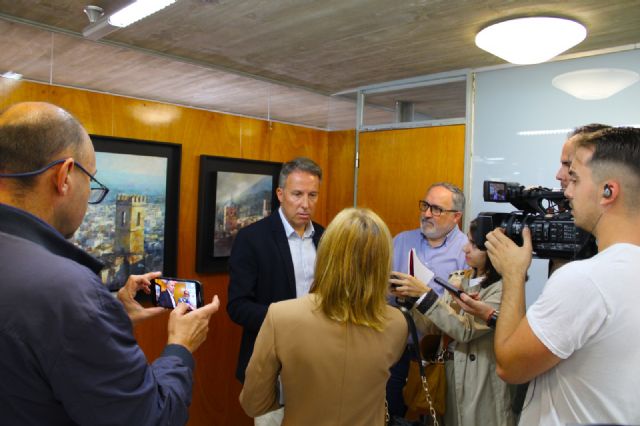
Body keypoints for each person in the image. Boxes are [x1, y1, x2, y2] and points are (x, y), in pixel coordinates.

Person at [0, 102, 220, 425]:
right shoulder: (70, 293)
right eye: (91, 180)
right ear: (64, 177)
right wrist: (180, 347)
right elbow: (151, 418)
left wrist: (110, 312)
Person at [486, 127, 640, 425]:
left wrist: (513, 274)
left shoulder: (587, 281)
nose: (566, 191)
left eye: (576, 179)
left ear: (608, 191)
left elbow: (510, 366)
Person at [240, 207, 408, 425]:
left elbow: (254, 402)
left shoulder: (281, 316)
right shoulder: (397, 324)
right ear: (383, 262)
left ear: (326, 253)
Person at [391, 219, 515, 426]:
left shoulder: (504, 289)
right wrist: (412, 299)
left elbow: (465, 330)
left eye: (474, 245)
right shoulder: (459, 278)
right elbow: (435, 327)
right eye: (468, 240)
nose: (465, 248)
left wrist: (426, 296)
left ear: (495, 252)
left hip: (480, 381)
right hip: (446, 378)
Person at [227, 157, 325, 388]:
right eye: (297, 194)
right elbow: (238, 307)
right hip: (272, 363)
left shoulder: (325, 236)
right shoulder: (252, 238)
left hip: (320, 361)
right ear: (280, 194)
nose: (305, 204)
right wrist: (289, 320)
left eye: (312, 195)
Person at [386, 182, 468, 417]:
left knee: (431, 416)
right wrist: (391, 292)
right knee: (392, 413)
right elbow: (379, 290)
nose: (427, 214)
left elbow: (463, 315)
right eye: (425, 206)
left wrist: (423, 295)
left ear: (456, 217)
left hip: (439, 358)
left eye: (437, 209)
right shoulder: (401, 241)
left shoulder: (467, 251)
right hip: (396, 351)